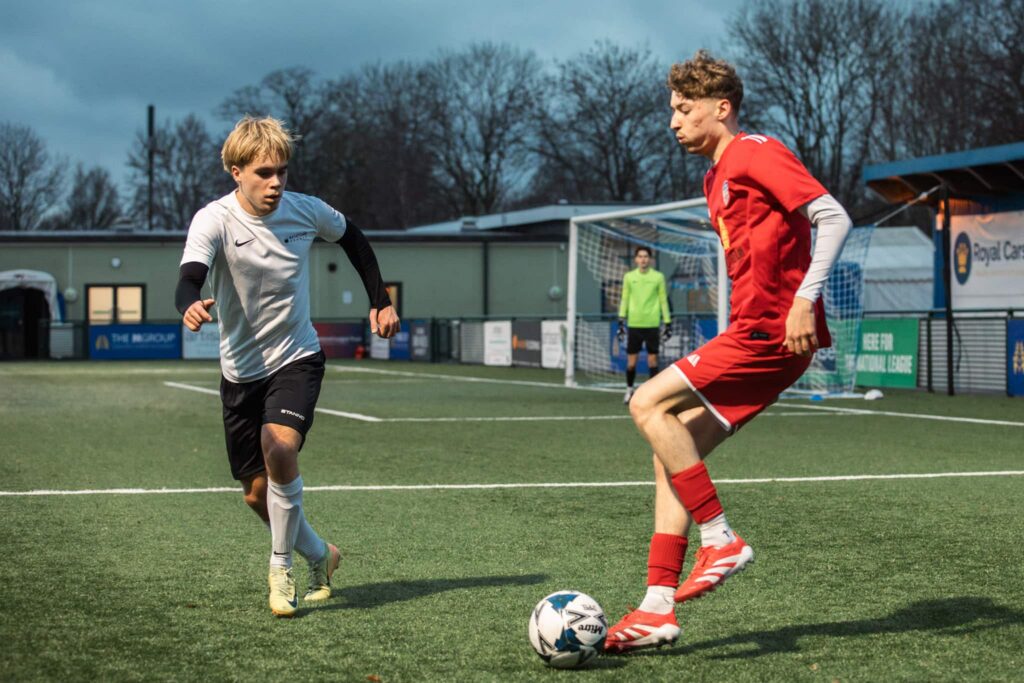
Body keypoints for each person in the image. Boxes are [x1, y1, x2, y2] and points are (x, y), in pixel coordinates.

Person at [604, 51, 852, 652]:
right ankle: (657, 606)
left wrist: (803, 300)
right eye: (672, 110)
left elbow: (832, 215)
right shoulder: (713, 177)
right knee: (672, 449)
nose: (673, 122)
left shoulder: (753, 150)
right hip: (756, 330)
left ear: (722, 108)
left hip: (770, 332)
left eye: (684, 109)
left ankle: (720, 538)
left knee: (645, 403)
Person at [175, 116, 399, 618]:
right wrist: (188, 302)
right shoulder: (213, 219)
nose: (275, 182)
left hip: (297, 357)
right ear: (236, 171)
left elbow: (354, 239)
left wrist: (380, 299)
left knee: (279, 446)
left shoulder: (305, 212)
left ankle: (281, 568)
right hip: (239, 373)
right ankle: (323, 556)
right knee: (257, 495)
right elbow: (189, 276)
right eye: (263, 173)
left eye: (282, 171)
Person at [617, 246, 671, 404]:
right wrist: (621, 319)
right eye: (640, 256)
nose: (643, 259)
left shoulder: (658, 277)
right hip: (634, 324)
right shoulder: (629, 277)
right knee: (631, 363)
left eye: (646, 256)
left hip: (652, 324)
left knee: (652, 361)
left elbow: (663, 299)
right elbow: (625, 298)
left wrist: (667, 322)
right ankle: (629, 390)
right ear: (635, 259)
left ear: (650, 259)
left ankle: (653, 395)